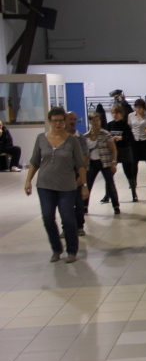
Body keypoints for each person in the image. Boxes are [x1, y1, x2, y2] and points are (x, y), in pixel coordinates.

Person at [24, 108, 88, 263]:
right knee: (47, 218)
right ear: (49, 121)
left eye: (60, 120)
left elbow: (80, 164)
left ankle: (72, 250)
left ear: (64, 121)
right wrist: (28, 181)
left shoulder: (72, 140)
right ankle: (56, 248)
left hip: (67, 186)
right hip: (45, 185)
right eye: (55, 121)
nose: (58, 124)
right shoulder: (41, 138)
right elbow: (34, 161)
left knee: (68, 218)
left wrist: (84, 184)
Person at [85, 112, 120, 216]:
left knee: (110, 183)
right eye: (93, 121)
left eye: (97, 120)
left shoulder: (105, 134)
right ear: (90, 122)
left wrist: (114, 162)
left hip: (105, 162)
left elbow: (113, 150)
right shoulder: (86, 136)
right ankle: (84, 206)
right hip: (91, 163)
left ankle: (116, 206)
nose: (96, 123)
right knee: (87, 184)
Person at [65, 111, 90, 236]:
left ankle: (80, 226)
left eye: (74, 119)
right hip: (64, 174)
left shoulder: (80, 137)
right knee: (65, 203)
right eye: (70, 119)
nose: (73, 121)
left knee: (79, 202)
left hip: (77, 172)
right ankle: (66, 228)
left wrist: (82, 174)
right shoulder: (60, 136)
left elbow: (84, 156)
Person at [107, 105, 137, 201]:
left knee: (128, 172)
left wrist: (122, 137)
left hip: (125, 150)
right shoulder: (109, 125)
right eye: (113, 113)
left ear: (121, 114)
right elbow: (106, 137)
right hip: (113, 151)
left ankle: (134, 193)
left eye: (117, 113)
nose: (115, 115)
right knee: (109, 174)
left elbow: (131, 139)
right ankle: (107, 195)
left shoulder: (125, 125)